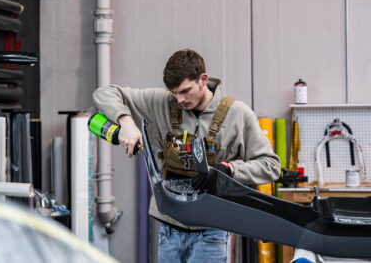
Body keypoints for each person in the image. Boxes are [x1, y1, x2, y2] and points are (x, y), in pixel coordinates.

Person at [93, 49, 280, 262]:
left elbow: (270, 165)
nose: (179, 99)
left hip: (211, 233)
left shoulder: (238, 114)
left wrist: (229, 170)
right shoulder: (162, 102)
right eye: (174, 92)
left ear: (203, 79)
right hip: (169, 231)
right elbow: (104, 93)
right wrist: (126, 122)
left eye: (185, 91)